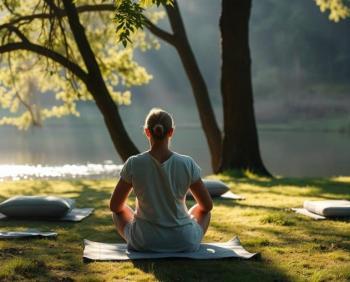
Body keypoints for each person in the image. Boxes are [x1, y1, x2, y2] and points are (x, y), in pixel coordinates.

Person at [109, 108, 213, 252]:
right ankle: (183, 231)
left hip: (144, 242)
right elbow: (207, 206)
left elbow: (115, 206)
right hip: (183, 241)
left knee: (119, 211)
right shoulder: (187, 163)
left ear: (147, 132)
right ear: (171, 132)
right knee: (202, 211)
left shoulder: (134, 163)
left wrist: (136, 216)